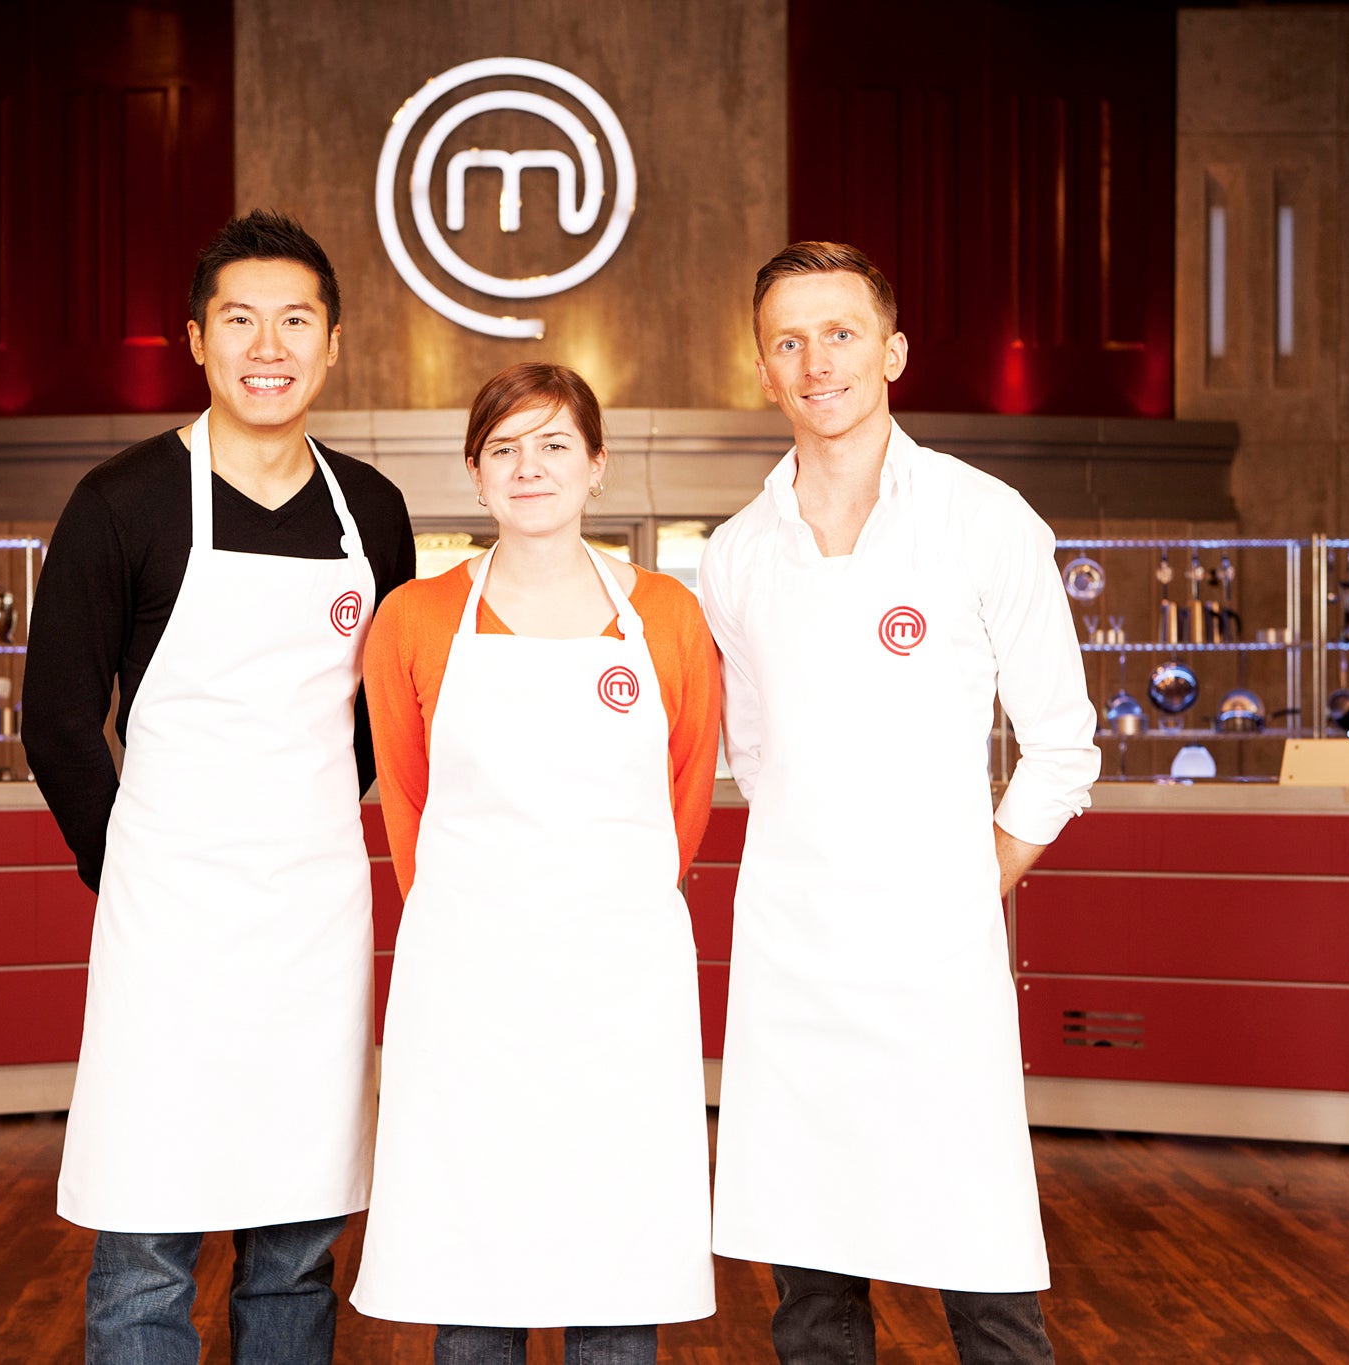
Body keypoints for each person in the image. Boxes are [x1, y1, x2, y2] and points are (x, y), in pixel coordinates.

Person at [23, 209, 416, 1365]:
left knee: (295, 1239)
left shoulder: (374, 513)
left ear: (332, 342)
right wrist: (130, 867)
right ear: (198, 340)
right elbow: (56, 719)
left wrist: (314, 825)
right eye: (239, 319)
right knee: (149, 1235)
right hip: (169, 915)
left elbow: (376, 719)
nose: (268, 345)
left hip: (313, 911)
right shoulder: (122, 502)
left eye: (295, 320)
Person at [699, 241, 1101, 1365]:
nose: (813, 360)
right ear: (763, 369)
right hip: (789, 961)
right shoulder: (735, 556)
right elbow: (754, 755)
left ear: (892, 351)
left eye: (837, 333)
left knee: (981, 1270)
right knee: (810, 1284)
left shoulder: (982, 521)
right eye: (787, 340)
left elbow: (1061, 749)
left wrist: (967, 885)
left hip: (935, 959)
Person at [351, 363, 721, 1364]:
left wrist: (597, 912)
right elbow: (406, 802)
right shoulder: (413, 621)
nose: (529, 467)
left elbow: (681, 806)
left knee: (616, 1253)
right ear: (474, 475)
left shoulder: (669, 621)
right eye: (503, 448)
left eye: (554, 443)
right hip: (470, 986)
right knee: (476, 1258)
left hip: (621, 990)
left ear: (596, 466)